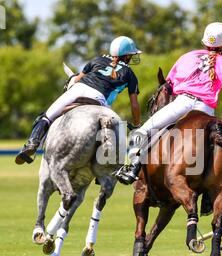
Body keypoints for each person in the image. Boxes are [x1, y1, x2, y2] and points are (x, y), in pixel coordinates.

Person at [115, 22, 222, 185]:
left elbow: (167, 88)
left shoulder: (186, 57)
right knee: (212, 150)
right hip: (206, 109)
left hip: (182, 102)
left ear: (204, 42)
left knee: (141, 132)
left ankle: (133, 168)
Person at [15, 36, 142, 165]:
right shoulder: (129, 74)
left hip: (78, 89)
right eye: (131, 55)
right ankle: (110, 166)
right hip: (99, 99)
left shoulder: (98, 59)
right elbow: (134, 105)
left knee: (46, 116)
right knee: (115, 130)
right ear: (126, 56)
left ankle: (32, 143)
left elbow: (76, 79)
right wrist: (137, 125)